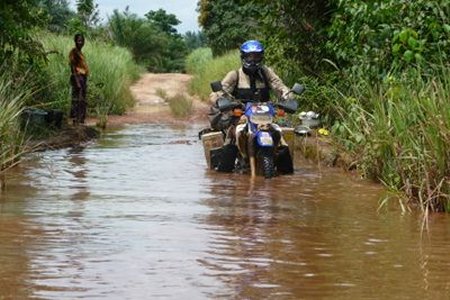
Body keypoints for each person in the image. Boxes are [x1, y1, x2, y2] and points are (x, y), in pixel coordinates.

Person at [208, 40, 295, 174]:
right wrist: (220, 99)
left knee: (281, 139)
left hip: (265, 115)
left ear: (261, 57)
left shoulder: (266, 72)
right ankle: (224, 175)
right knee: (232, 136)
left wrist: (287, 95)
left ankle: (287, 174)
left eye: (256, 56)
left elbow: (279, 85)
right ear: (243, 57)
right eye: (250, 56)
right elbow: (218, 92)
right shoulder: (235, 75)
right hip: (242, 114)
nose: (253, 60)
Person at [69, 33, 89, 125]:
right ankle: (76, 119)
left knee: (82, 99)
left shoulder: (80, 53)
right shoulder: (73, 52)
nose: (80, 42)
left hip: (83, 78)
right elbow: (73, 67)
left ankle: (81, 119)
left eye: (82, 41)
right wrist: (77, 82)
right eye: (79, 40)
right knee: (78, 99)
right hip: (78, 77)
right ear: (75, 41)